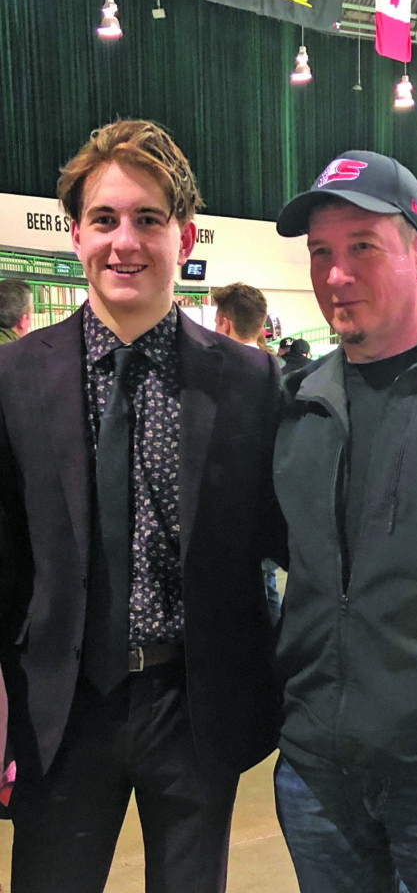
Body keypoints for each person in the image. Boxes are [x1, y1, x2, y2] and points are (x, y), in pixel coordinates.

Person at [0, 119, 284, 893]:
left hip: (194, 711)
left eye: (148, 219)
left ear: (183, 235)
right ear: (75, 234)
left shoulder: (250, 383)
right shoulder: (15, 377)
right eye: (104, 219)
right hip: (61, 711)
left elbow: (284, 541)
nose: (125, 241)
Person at [272, 149, 417, 893]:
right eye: (320, 252)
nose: (334, 275)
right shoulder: (296, 404)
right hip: (316, 776)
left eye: (361, 247)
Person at [214, 282, 282, 625]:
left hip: (226, 524)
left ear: (224, 323)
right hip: (271, 512)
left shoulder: (212, 378)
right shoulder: (279, 375)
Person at [213, 281, 267, 347]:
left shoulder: (210, 356)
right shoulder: (271, 356)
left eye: (217, 323)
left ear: (225, 325)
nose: (215, 331)